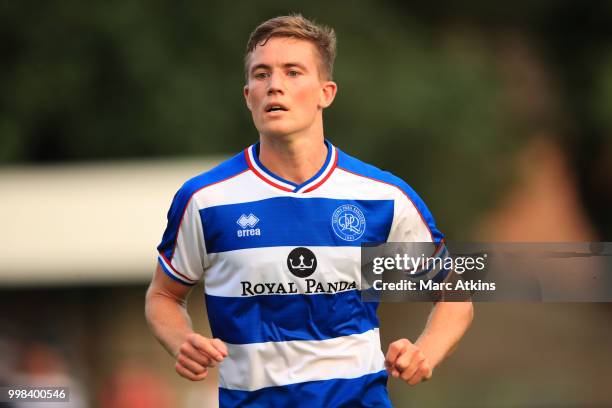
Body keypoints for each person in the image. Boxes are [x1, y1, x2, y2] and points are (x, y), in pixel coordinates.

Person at [145, 14, 473, 408]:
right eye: (261, 75)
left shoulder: (383, 196)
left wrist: (426, 352)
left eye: (293, 72)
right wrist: (182, 341)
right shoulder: (206, 200)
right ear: (248, 95)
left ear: (326, 92)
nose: (275, 86)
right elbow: (163, 295)